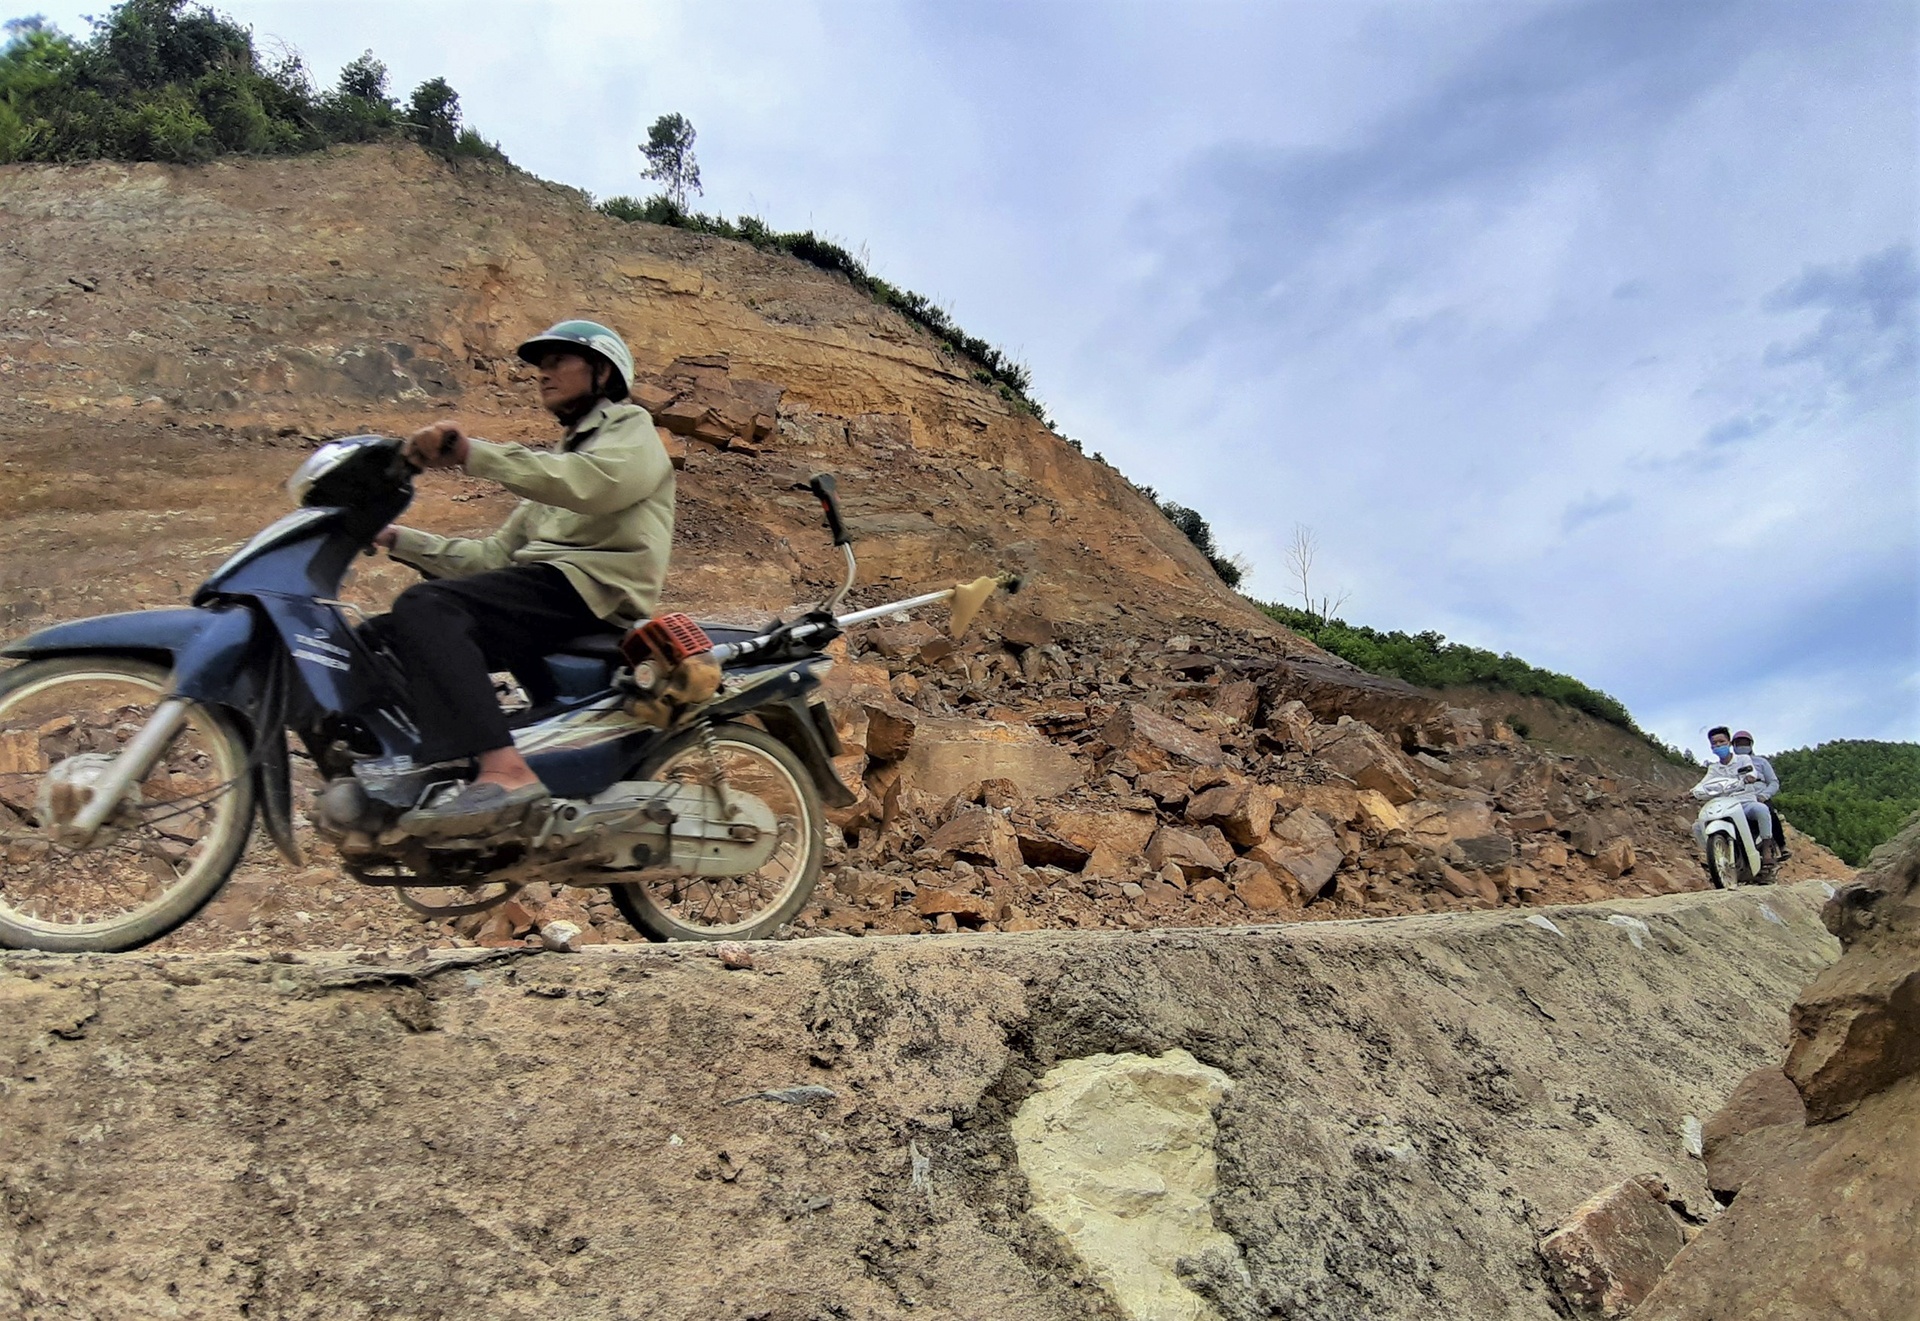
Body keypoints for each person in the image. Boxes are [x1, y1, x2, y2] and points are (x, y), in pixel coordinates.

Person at [366, 320, 675, 838]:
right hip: (544, 587)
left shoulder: (630, 429)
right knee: (380, 638)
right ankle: (434, 766)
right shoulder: (559, 464)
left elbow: (596, 487)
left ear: (601, 371)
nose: (543, 374)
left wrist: (472, 454)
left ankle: (506, 771)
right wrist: (396, 538)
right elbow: (491, 557)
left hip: (591, 588)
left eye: (558, 361)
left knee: (428, 608)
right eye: (540, 365)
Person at [1689, 726, 1776, 875]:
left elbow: (1751, 771)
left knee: (1761, 810)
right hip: (1724, 805)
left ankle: (1767, 847)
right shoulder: (1714, 768)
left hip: (1745, 802)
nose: (1718, 746)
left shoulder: (1743, 759)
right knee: (1697, 827)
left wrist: (1750, 777)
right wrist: (1690, 793)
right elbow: (1703, 784)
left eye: (1721, 742)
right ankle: (1714, 857)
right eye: (1714, 743)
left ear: (1729, 743)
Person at [1731, 730, 1789, 859]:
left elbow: (1773, 782)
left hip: (1759, 797)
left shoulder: (1761, 762)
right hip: (1738, 798)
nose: (1742, 746)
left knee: (1769, 813)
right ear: (1733, 746)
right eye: (1739, 743)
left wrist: (1764, 795)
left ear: (1751, 745)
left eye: (1745, 743)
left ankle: (1780, 845)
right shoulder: (1730, 765)